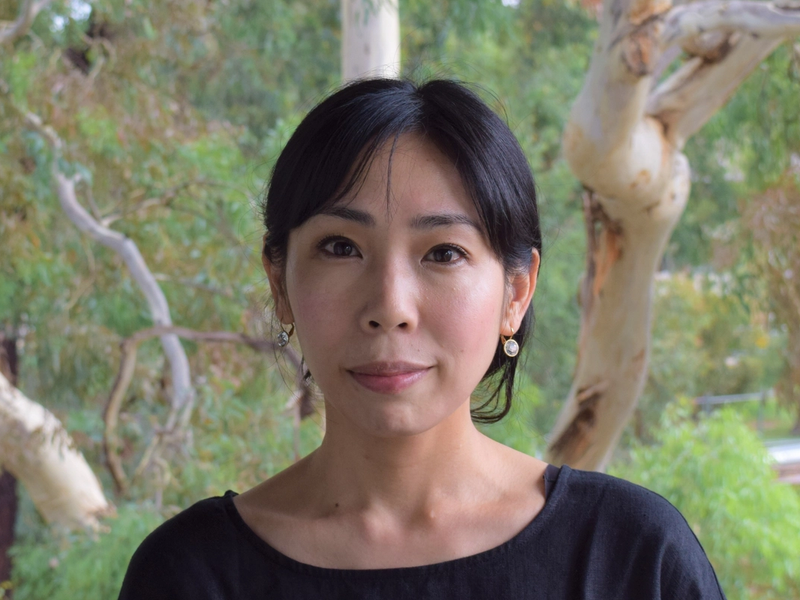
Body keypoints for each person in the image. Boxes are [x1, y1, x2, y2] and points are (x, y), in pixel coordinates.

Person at [118, 78, 726, 599]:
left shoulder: (633, 557)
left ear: (516, 292)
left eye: (443, 252)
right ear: (280, 283)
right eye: (341, 247)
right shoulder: (188, 574)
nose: (390, 307)